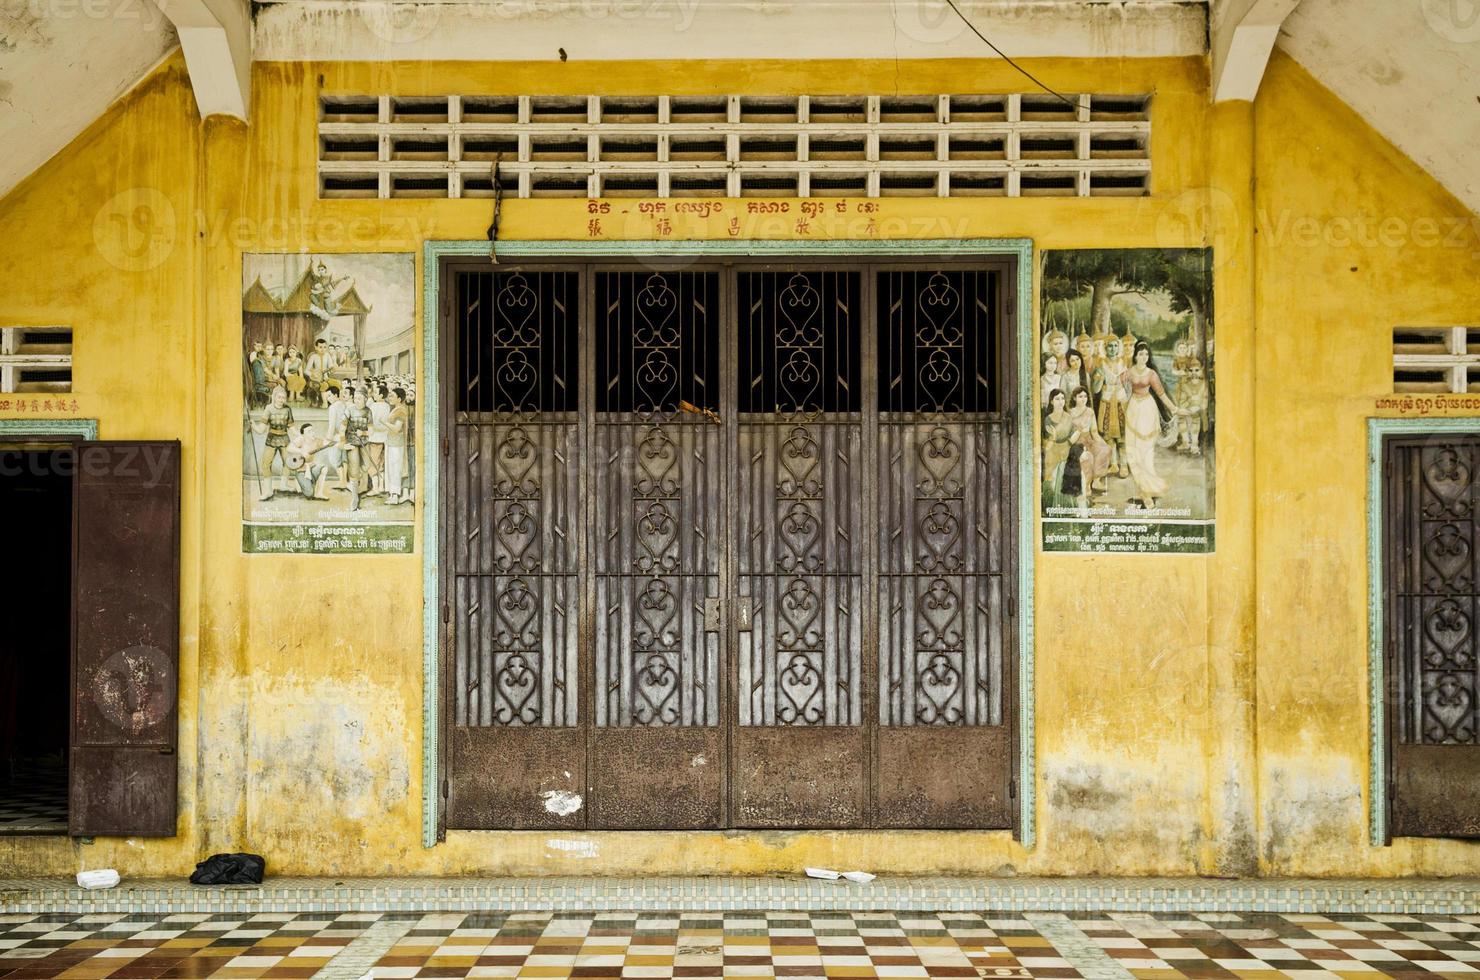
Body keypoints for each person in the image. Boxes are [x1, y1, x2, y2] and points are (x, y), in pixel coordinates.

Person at [1122, 342, 1176, 508]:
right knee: (1133, 452)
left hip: (1147, 410)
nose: (1143, 357)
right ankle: (1143, 490)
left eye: (1146, 354)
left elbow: (1161, 395)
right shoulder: (1127, 373)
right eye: (1140, 354)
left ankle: (1146, 492)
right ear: (1135, 356)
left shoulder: (1151, 374)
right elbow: (1115, 388)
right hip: (1132, 411)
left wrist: (1174, 409)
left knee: (1146, 453)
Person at [1067, 387, 1112, 502]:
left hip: (1089, 440)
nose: (1083, 399)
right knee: (1088, 457)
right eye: (1080, 396)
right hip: (1076, 442)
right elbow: (1069, 435)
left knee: (1105, 450)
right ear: (1074, 398)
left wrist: (1104, 445)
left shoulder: (1090, 412)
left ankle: (1096, 480)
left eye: (1085, 396)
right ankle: (1086, 485)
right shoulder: (1070, 413)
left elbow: (1094, 432)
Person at [1093, 337, 1129, 477]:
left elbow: (1128, 385)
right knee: (1108, 435)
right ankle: (1114, 464)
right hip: (1107, 401)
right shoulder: (1101, 365)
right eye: (1110, 346)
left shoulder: (1123, 363)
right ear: (1105, 348)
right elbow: (1096, 389)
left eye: (1115, 346)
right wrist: (1099, 380)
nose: (1113, 349)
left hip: (1121, 401)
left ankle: (1124, 465)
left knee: (1122, 435)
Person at [251, 386, 294, 500]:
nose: (281, 400)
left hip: (285, 438)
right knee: (266, 464)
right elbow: (261, 429)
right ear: (274, 397)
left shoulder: (287, 409)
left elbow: (291, 426)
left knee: (288, 462)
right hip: (271, 439)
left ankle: (283, 485)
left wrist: (301, 435)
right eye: (279, 397)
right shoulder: (268, 408)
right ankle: (268, 491)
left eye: (283, 398)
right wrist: (254, 426)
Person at [339, 386, 373, 511]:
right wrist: (343, 444)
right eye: (356, 398)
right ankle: (354, 498)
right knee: (354, 470)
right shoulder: (349, 410)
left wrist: (363, 433)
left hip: (364, 442)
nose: (357, 400)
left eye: (360, 398)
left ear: (365, 399)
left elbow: (371, 430)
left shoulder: (368, 411)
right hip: (351, 443)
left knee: (366, 466)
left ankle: (357, 484)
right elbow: (342, 429)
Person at [1041, 389, 1075, 509]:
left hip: (1066, 449)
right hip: (1052, 451)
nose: (1061, 402)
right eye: (1057, 399)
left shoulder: (1068, 418)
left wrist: (1071, 441)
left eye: (1062, 398)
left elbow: (1073, 436)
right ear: (1051, 401)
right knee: (1051, 478)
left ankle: (1067, 507)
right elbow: (1047, 444)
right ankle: (1050, 506)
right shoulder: (1048, 419)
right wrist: (1054, 437)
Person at [1173, 358, 1210, 455]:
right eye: (1191, 370)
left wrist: (1199, 407)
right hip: (1188, 408)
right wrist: (1187, 407)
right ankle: (1185, 442)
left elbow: (1205, 399)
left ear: (1201, 370)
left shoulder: (1204, 383)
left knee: (1196, 418)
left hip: (1199, 409)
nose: (1194, 373)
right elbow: (1181, 400)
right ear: (1187, 372)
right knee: (1180, 417)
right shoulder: (1184, 384)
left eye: (1197, 370)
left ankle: (1194, 444)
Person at [384, 387, 410, 504]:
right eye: (390, 396)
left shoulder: (401, 410)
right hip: (391, 442)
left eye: (392, 396)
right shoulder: (395, 409)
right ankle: (392, 494)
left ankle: (395, 496)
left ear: (399, 399)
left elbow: (397, 428)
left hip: (397, 444)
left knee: (395, 469)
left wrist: (384, 422)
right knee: (391, 468)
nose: (390, 398)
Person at [367, 382, 391, 496]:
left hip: (374, 439)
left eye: (376, 393)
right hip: (385, 439)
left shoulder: (374, 406)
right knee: (381, 463)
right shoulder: (387, 406)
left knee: (372, 464)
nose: (373, 394)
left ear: (381, 395)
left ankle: (375, 488)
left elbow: (371, 422)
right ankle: (382, 486)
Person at [305, 338, 329, 408]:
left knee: (335, 383)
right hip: (315, 378)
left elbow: (331, 367)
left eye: (324, 347)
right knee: (317, 386)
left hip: (325, 377)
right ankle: (317, 401)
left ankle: (326, 402)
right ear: (316, 347)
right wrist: (313, 374)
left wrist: (332, 369)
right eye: (320, 347)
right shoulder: (313, 356)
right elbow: (306, 370)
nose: (323, 349)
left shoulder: (327, 356)